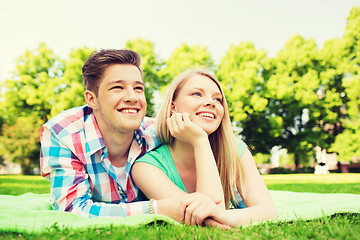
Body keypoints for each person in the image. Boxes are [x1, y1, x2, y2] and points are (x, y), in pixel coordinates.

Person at [40, 49, 183, 219]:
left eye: (138, 88)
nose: (132, 97)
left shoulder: (159, 133)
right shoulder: (63, 133)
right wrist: (154, 209)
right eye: (118, 87)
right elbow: (72, 209)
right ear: (92, 99)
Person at [131, 69, 278, 227]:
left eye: (218, 99)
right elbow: (205, 218)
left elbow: (269, 211)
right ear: (173, 106)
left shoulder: (235, 149)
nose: (211, 103)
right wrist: (200, 140)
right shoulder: (145, 167)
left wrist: (200, 142)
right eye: (196, 94)